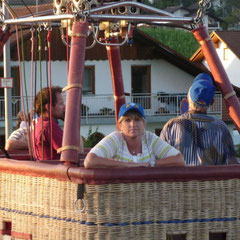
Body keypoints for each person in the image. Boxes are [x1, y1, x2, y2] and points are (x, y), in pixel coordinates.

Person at [160, 73, 237, 166]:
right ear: (212, 102)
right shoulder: (222, 128)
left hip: (180, 180)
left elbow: (160, 161)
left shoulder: (171, 126)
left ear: (188, 99)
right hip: (212, 180)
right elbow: (231, 165)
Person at [84, 102, 185, 168]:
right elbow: (89, 161)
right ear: (120, 125)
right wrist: (127, 165)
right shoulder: (115, 138)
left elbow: (179, 160)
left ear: (144, 123)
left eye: (137, 120)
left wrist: (151, 164)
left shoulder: (150, 138)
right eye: (127, 120)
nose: (133, 124)